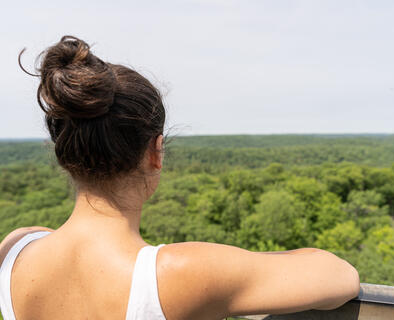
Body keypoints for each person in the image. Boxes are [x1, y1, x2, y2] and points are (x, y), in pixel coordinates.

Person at [0, 36, 360, 320]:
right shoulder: (180, 274)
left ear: (64, 154)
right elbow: (340, 276)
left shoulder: (14, 251)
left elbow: (59, 246)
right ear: (155, 152)